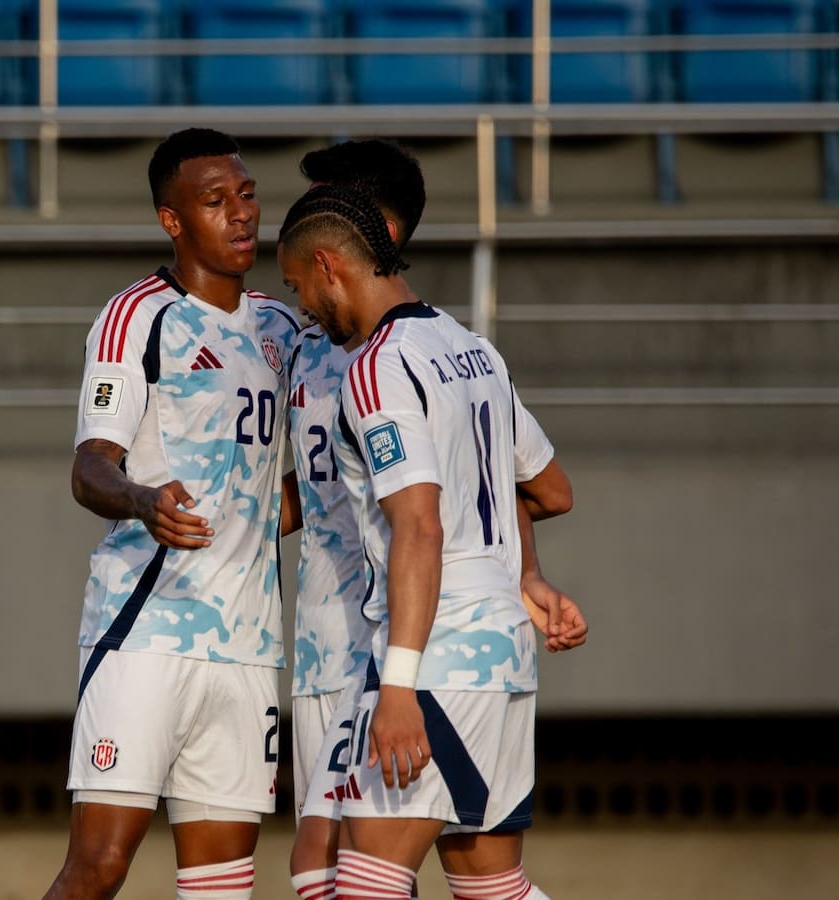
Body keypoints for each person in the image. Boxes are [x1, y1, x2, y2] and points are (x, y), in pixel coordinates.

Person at [284, 143, 586, 900]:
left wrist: (398, 687)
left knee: (356, 885)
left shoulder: (377, 365)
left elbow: (419, 528)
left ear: (327, 263)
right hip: (503, 650)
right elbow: (549, 488)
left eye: (297, 287)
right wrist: (520, 572)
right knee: (491, 885)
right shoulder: (470, 347)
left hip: (436, 649)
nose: (302, 309)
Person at [42, 128, 299, 900]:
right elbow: (91, 467)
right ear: (172, 219)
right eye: (215, 201)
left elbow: (294, 486)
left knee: (221, 887)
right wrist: (143, 500)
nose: (241, 213)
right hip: (146, 633)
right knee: (99, 868)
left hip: (249, 648)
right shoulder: (136, 317)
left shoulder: (284, 329)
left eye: (247, 195)